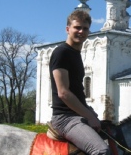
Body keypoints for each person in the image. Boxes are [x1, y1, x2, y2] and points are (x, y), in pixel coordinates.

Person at [49, 10, 109, 155]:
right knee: (101, 150)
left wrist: (89, 111)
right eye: (77, 27)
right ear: (67, 29)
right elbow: (63, 93)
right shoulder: (61, 52)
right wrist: (88, 115)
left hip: (76, 115)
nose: (81, 31)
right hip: (65, 118)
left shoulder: (75, 54)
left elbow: (76, 90)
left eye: (85, 28)